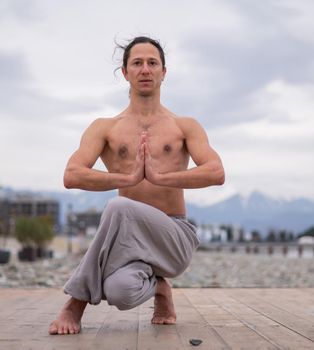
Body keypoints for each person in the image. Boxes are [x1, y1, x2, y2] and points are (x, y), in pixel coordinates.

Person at [49, 36, 224, 335]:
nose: (145, 69)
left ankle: (75, 303)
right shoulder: (105, 128)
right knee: (119, 292)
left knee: (119, 206)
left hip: (173, 237)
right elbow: (72, 175)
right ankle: (159, 289)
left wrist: (161, 177)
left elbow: (216, 172)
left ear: (164, 72)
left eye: (152, 63)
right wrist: (126, 179)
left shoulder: (184, 126)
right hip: (130, 245)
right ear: (125, 72)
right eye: (137, 63)